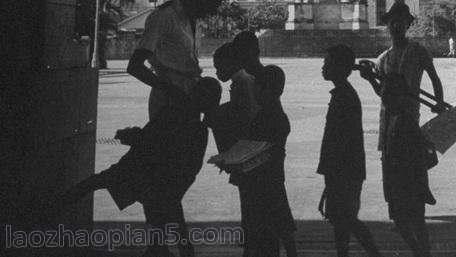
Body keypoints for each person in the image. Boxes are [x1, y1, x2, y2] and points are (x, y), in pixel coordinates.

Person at [60, 77, 222, 257]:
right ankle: (166, 249)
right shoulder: (197, 129)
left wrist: (133, 136)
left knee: (96, 182)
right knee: (169, 214)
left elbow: (152, 139)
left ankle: (54, 210)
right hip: (162, 179)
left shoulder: (175, 112)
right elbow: (187, 165)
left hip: (141, 170)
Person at [128, 0, 230, 117]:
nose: (210, 14)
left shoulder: (192, 19)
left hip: (190, 97)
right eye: (209, 8)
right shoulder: (163, 16)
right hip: (168, 102)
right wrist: (170, 90)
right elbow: (134, 66)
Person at [317, 45, 381, 257]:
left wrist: (331, 174)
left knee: (345, 219)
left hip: (343, 171)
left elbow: (340, 140)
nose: (323, 67)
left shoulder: (344, 97)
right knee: (342, 220)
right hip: (345, 170)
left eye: (327, 63)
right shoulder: (344, 94)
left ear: (338, 67)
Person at [359, 2, 446, 151]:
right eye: (392, 23)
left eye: (400, 22)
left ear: (407, 25)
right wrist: (371, 80)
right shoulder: (383, 59)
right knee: (389, 161)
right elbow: (383, 92)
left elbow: (434, 78)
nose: (396, 26)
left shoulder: (418, 51)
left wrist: (439, 102)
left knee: (409, 159)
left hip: (409, 115)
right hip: (388, 118)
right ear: (387, 26)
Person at [234, 65, 297, 257]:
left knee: (262, 231)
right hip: (275, 178)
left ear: (264, 90)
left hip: (261, 181)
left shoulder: (264, 117)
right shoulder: (277, 116)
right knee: (281, 223)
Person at [381, 73, 435, 257]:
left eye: (392, 94)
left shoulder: (404, 121)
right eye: (385, 93)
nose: (387, 98)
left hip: (407, 183)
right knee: (406, 221)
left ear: (402, 95)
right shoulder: (394, 116)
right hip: (399, 182)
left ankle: (422, 253)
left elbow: (416, 157)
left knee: (413, 222)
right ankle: (420, 252)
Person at [212, 41, 259, 150]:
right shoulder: (242, 79)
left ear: (230, 64)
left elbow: (247, 112)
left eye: (219, 68)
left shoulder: (243, 81)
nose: (217, 73)